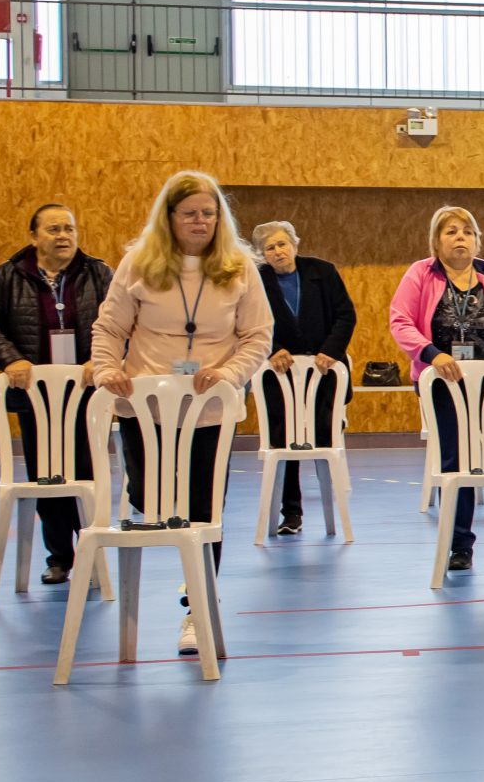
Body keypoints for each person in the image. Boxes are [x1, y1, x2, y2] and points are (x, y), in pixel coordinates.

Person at [88, 172, 273, 654]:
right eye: (189, 213)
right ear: (169, 218)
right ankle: (186, 574)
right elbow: (109, 328)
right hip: (143, 406)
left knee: (203, 510)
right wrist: (106, 368)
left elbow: (258, 336)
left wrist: (231, 372)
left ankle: (198, 606)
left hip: (208, 409)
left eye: (208, 213)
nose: (200, 221)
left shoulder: (239, 268)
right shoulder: (138, 264)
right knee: (152, 500)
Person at [389, 206, 484, 573]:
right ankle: (459, 544)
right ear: (436, 242)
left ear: (477, 240)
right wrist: (431, 354)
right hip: (444, 384)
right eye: (451, 232)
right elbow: (400, 321)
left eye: (467, 232)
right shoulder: (420, 273)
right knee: (456, 463)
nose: (460, 238)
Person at [0, 201, 113, 584]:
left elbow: (124, 322)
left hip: (87, 397)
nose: (64, 236)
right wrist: (10, 360)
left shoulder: (99, 273)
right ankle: (59, 558)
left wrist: (100, 359)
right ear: (34, 237)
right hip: (35, 399)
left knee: (87, 474)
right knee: (47, 478)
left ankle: (92, 551)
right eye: (53, 229)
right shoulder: (7, 276)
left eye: (69, 228)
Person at [251, 221, 357, 537]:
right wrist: (272, 349)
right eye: (270, 248)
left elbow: (345, 315)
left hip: (324, 378)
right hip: (279, 380)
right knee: (286, 442)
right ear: (262, 254)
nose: (278, 251)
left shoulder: (322, 272)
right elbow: (246, 322)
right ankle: (291, 513)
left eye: (283, 244)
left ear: (295, 245)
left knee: (324, 439)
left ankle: (334, 510)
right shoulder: (256, 280)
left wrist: (331, 351)